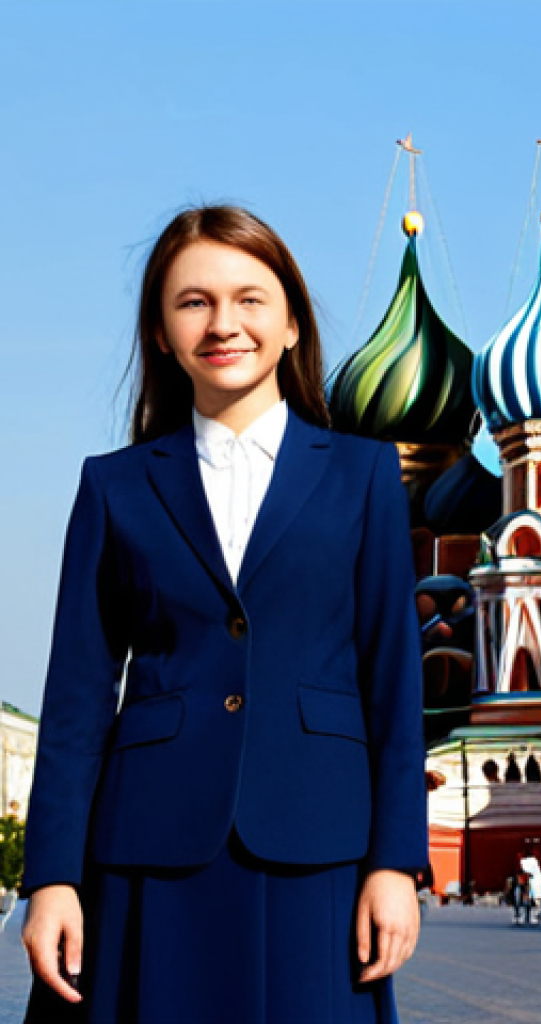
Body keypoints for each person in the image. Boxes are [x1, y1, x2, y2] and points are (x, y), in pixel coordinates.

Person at [20, 206, 427, 1024]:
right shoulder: (115, 484)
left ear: (290, 324)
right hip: (148, 843)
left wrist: (396, 862)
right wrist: (52, 879)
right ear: (163, 334)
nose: (223, 323)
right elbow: (74, 701)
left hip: (320, 842)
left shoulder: (363, 475)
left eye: (249, 298)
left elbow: (393, 682)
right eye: (193, 302)